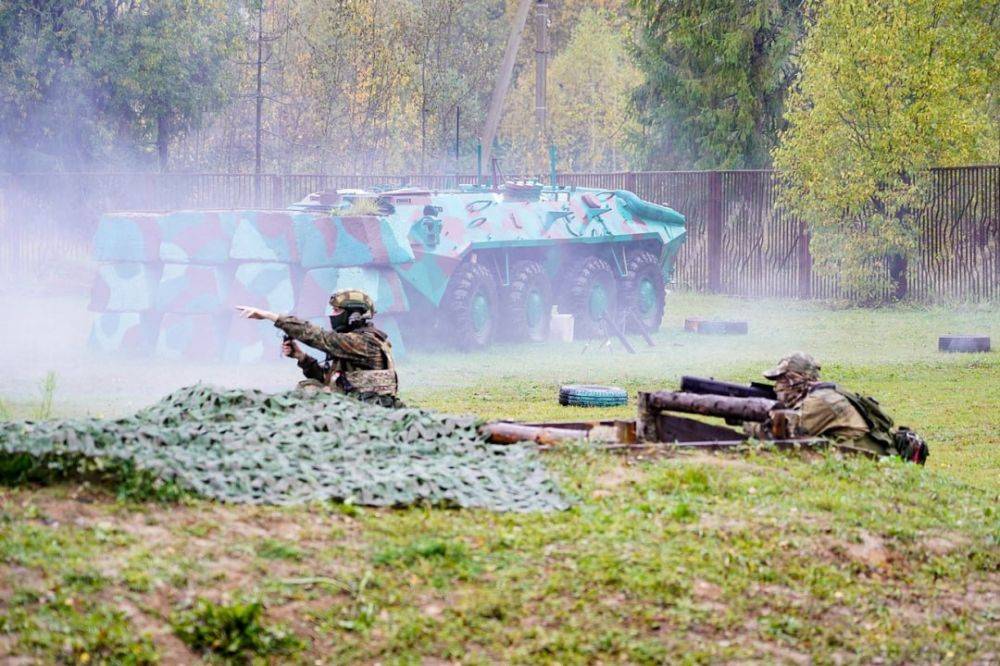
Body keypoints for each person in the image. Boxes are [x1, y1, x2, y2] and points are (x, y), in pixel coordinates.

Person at [747, 352, 927, 463]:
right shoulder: (821, 394)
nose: (778, 387)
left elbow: (779, 433)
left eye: (782, 380)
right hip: (863, 459)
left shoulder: (821, 401)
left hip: (869, 464)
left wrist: (747, 418)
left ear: (797, 379)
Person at [236, 289, 402, 408]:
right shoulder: (353, 340)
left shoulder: (364, 342)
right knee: (309, 385)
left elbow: (318, 337)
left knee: (310, 391)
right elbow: (332, 380)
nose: (332, 315)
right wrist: (302, 358)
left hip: (371, 413)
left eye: (337, 310)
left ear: (355, 315)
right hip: (356, 407)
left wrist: (270, 316)